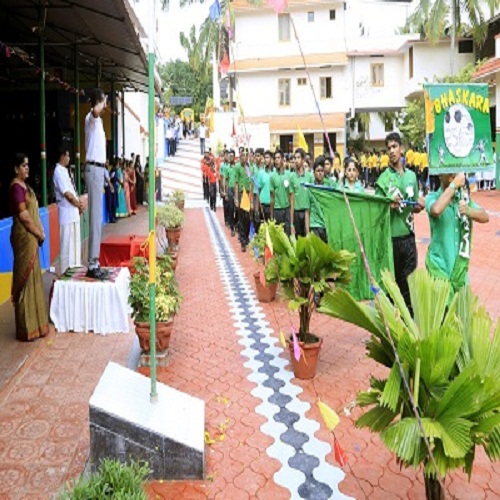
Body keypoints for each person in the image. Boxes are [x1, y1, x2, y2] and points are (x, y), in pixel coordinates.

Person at [375, 132, 424, 312]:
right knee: (392, 287)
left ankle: (408, 321)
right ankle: (391, 323)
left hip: (409, 238)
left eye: (394, 146)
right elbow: (376, 210)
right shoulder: (383, 179)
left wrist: (419, 206)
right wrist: (389, 206)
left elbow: (414, 206)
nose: (392, 151)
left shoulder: (412, 177)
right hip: (391, 241)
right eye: (388, 148)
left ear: (401, 149)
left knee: (409, 284)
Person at [425, 172, 488, 298]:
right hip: (439, 268)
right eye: (449, 170)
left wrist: (468, 211)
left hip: (459, 270)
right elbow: (436, 210)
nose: (453, 173)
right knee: (442, 308)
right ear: (440, 175)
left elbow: (485, 216)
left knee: (462, 309)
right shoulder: (432, 197)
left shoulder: (463, 199)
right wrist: (453, 185)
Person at [9, 153, 49, 341]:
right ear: (16, 168)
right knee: (25, 279)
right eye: (23, 166)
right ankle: (26, 329)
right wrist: (39, 233)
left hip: (32, 237)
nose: (27, 168)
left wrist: (40, 231)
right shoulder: (16, 188)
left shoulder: (27, 187)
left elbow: (33, 214)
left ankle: (38, 325)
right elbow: (24, 217)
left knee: (34, 277)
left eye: (28, 165)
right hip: (24, 238)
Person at [84, 88, 108, 279]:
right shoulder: (91, 119)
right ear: (98, 102)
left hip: (98, 169)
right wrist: (99, 103)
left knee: (97, 216)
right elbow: (95, 112)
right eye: (104, 100)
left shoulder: (98, 123)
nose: (106, 104)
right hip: (93, 168)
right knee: (95, 216)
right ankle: (93, 263)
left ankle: (95, 260)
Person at [53, 146, 84, 274]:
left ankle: (75, 269)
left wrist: (78, 205)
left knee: (75, 244)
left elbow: (73, 192)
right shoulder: (58, 171)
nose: (69, 158)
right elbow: (67, 194)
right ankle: (66, 272)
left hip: (73, 213)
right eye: (67, 155)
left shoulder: (65, 171)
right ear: (62, 156)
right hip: (66, 214)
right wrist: (78, 205)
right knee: (67, 244)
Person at [270, 149, 294, 236]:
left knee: (287, 235)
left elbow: (291, 196)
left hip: (286, 210)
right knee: (278, 236)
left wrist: (292, 219)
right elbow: (272, 197)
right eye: (275, 158)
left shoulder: (289, 175)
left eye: (278, 158)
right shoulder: (272, 176)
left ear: (283, 159)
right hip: (277, 210)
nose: (276, 160)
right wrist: (271, 216)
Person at [291, 148, 314, 237]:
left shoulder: (309, 177)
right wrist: (292, 224)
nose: (296, 160)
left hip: (307, 212)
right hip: (296, 213)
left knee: (308, 238)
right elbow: (292, 200)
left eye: (298, 158)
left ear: (303, 159)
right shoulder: (292, 177)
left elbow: (312, 197)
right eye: (295, 158)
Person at [305, 156, 328, 243]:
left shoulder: (328, 188)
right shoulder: (310, 189)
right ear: (314, 173)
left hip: (326, 226)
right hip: (314, 225)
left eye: (322, 171)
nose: (320, 173)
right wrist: (307, 232)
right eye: (318, 171)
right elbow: (307, 211)